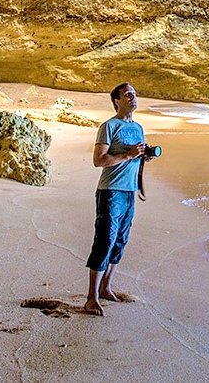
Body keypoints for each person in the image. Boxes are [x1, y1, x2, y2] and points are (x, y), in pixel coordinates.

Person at [83, 81, 146, 315]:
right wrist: (128, 154)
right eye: (128, 94)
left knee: (121, 240)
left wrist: (142, 157)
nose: (133, 97)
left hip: (129, 191)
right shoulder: (109, 126)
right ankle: (91, 297)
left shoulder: (138, 127)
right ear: (117, 101)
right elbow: (98, 160)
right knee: (105, 241)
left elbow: (134, 158)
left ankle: (106, 288)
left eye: (134, 93)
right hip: (110, 191)